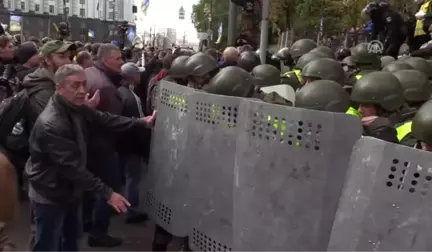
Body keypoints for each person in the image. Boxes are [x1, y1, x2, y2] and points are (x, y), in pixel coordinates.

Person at [27, 64, 156, 252]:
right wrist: (108, 193)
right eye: (75, 85)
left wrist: (140, 122)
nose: (81, 91)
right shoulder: (52, 123)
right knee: (48, 244)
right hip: (50, 193)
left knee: (71, 239)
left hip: (69, 189)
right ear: (59, 88)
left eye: (84, 84)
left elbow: (103, 118)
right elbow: (71, 168)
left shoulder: (75, 106)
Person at [84, 43, 126, 247]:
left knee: (89, 187)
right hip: (103, 146)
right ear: (106, 60)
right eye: (118, 59)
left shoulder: (89, 72)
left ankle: (86, 223)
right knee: (109, 190)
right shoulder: (106, 87)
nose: (122, 62)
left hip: (88, 144)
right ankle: (98, 232)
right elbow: (112, 122)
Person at [118, 62, 149, 224]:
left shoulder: (124, 92)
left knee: (127, 176)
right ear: (131, 77)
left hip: (125, 143)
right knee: (133, 178)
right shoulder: (129, 97)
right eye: (137, 73)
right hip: (133, 144)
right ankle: (131, 210)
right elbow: (136, 123)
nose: (140, 76)